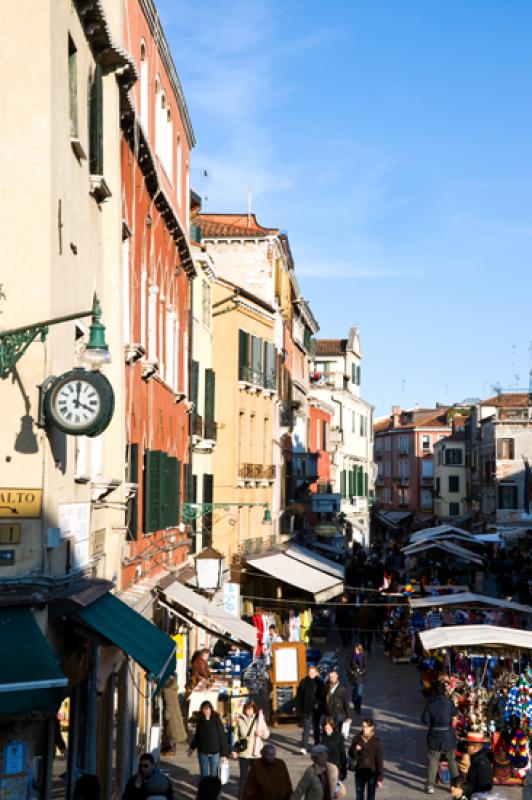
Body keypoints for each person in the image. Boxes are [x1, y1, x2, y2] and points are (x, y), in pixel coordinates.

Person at [421, 682, 460, 794]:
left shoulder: (430, 704)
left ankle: (430, 786)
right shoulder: (449, 702)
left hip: (434, 735)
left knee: (433, 760)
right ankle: (456, 784)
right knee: (451, 760)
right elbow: (455, 714)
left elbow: (425, 720)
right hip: (448, 735)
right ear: (444, 691)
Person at [232, 699, 270, 798]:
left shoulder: (259, 719)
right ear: (244, 710)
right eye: (246, 709)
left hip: (256, 754)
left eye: (250, 709)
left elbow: (267, 735)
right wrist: (234, 750)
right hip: (243, 753)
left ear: (254, 710)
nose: (248, 711)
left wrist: (261, 734)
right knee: (244, 777)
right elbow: (235, 735)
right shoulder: (240, 720)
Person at [188, 700, 229, 779]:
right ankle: (204, 790)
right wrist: (192, 748)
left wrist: (224, 754)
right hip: (202, 752)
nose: (206, 710)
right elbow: (197, 736)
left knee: (214, 775)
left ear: (211, 710)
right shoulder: (200, 721)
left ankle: (214, 791)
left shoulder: (216, 721)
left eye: (208, 708)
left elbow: (222, 737)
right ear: (202, 710)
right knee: (204, 775)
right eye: (204, 709)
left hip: (215, 753)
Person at [348, 718, 383, 800]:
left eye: (366, 727)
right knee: (359, 796)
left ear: (372, 727)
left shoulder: (376, 741)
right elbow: (350, 753)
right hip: (360, 770)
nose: (364, 728)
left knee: (371, 797)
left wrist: (380, 777)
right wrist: (355, 749)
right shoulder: (357, 738)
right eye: (363, 726)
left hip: (371, 772)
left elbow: (379, 759)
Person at [450, 733, 493, 798]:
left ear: (475, 747)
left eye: (468, 745)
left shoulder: (481, 763)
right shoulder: (476, 758)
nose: (466, 747)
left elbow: (484, 788)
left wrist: (463, 790)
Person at [296, 664, 324, 755]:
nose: (311, 674)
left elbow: (322, 696)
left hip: (316, 709)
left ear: (316, 673)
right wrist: (298, 706)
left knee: (316, 727)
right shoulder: (303, 682)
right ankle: (304, 747)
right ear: (307, 673)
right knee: (306, 728)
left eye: (313, 672)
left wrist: (319, 704)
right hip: (306, 709)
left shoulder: (320, 682)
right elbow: (299, 695)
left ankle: (317, 743)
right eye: (310, 672)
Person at [346, 643, 367, 716]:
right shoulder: (350, 655)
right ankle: (355, 704)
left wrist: (362, 671)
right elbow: (347, 666)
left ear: (360, 649)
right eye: (355, 649)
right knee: (354, 694)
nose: (356, 651)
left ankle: (358, 708)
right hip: (352, 677)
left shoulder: (363, 655)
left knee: (359, 694)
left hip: (360, 677)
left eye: (357, 649)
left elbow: (365, 666)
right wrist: (352, 672)